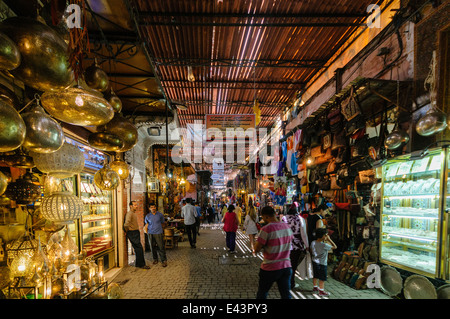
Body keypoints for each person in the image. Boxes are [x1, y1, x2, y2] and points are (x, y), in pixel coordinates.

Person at [253, 206, 294, 299]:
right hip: (286, 266)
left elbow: (257, 248)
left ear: (266, 217)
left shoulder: (266, 229)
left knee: (262, 293)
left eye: (263, 217)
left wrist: (257, 243)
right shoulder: (287, 226)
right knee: (286, 294)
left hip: (270, 267)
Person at [282, 204, 309, 289]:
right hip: (296, 245)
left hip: (285, 245)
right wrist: (307, 245)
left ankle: (285, 282)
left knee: (286, 264)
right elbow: (303, 234)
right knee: (293, 265)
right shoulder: (300, 219)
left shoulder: (284, 218)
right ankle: (291, 283)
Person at [310, 228, 337, 296]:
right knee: (322, 278)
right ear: (322, 236)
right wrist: (329, 239)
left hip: (314, 262)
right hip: (322, 264)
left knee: (315, 275)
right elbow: (335, 247)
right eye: (325, 235)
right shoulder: (324, 245)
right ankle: (321, 291)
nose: (326, 236)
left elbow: (311, 250)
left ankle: (315, 287)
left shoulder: (313, 242)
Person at [123, 201, 149, 269]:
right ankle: (141, 264)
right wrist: (127, 231)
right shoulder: (129, 214)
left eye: (136, 205)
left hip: (135, 232)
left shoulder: (133, 213)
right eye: (135, 205)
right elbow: (126, 224)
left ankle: (138, 264)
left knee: (138, 248)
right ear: (130, 206)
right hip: (132, 232)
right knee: (139, 248)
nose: (136, 206)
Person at [144, 202, 167, 267]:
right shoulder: (148, 216)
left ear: (155, 207)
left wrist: (161, 230)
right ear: (149, 209)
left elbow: (163, 223)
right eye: (151, 207)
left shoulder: (160, 215)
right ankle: (155, 259)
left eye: (154, 207)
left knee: (161, 247)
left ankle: (164, 260)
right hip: (150, 233)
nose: (153, 208)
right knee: (152, 247)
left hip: (158, 233)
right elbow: (146, 224)